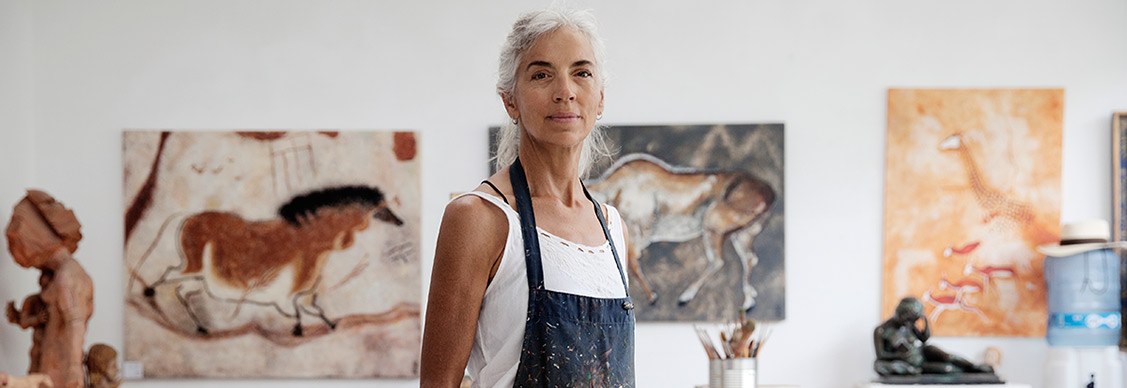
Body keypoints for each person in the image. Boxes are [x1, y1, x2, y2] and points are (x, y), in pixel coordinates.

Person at [420, 7, 635, 388]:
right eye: (541, 74)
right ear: (510, 100)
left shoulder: (613, 227)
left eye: (581, 73)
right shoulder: (479, 218)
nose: (565, 91)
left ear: (599, 99)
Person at [5, 190, 94, 388]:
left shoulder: (67, 277)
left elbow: (75, 323)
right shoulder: (58, 275)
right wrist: (21, 317)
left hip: (59, 369)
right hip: (49, 363)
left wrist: (73, 368)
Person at [873, 297, 994, 376]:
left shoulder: (909, 324)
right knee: (947, 369)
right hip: (912, 364)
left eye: (913, 319)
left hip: (923, 353)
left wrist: (924, 320)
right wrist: (899, 355)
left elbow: (924, 339)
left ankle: (974, 367)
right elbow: (881, 356)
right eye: (908, 319)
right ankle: (968, 373)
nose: (910, 322)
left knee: (948, 356)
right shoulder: (882, 330)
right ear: (900, 314)